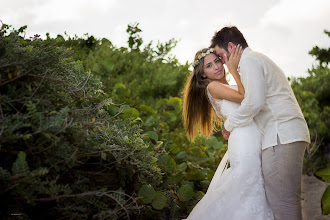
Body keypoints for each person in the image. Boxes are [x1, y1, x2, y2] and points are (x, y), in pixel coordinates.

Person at [210, 26, 310, 220]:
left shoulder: (249, 62)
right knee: (284, 203)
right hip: (283, 134)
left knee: (283, 205)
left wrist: (229, 125)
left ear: (231, 46)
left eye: (221, 56)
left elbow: (254, 102)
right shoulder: (256, 59)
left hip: (281, 135)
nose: (221, 63)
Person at [182, 46, 273, 220]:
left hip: (251, 137)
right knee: (246, 183)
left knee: (252, 184)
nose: (216, 67)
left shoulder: (226, 86)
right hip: (243, 141)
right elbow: (247, 97)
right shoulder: (213, 87)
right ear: (203, 75)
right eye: (209, 66)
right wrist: (233, 69)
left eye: (217, 61)